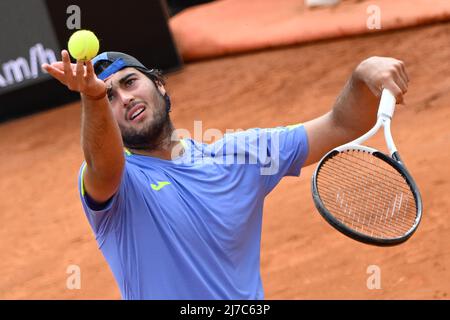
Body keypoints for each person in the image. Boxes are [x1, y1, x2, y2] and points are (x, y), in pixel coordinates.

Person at [42, 50, 409, 299]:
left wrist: (364, 72)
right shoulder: (120, 185)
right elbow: (103, 164)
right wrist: (91, 98)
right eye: (108, 97)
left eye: (129, 82)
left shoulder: (236, 156)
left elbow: (342, 125)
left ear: (159, 85)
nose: (123, 99)